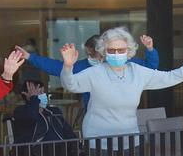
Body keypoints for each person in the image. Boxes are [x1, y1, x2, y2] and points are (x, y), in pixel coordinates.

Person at [59, 28, 183, 139]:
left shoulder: (138, 72)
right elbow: (71, 85)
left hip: (130, 138)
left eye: (121, 50)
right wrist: (67, 66)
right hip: (98, 140)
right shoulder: (95, 72)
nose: (116, 54)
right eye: (111, 50)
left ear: (128, 51)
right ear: (104, 52)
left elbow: (170, 77)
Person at [19, 33, 160, 111]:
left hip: (124, 119)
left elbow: (149, 67)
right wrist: (30, 57)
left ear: (101, 52)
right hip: (94, 117)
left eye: (90, 54)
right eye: (86, 53)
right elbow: (56, 67)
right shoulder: (84, 66)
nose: (88, 57)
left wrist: (150, 49)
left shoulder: (124, 63)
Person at [11, 75, 77, 144]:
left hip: (59, 152)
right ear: (27, 95)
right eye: (39, 92)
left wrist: (79, 148)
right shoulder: (20, 111)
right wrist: (33, 98)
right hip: (36, 153)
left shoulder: (54, 111)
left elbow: (68, 133)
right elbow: (31, 116)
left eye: (43, 92)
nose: (43, 95)